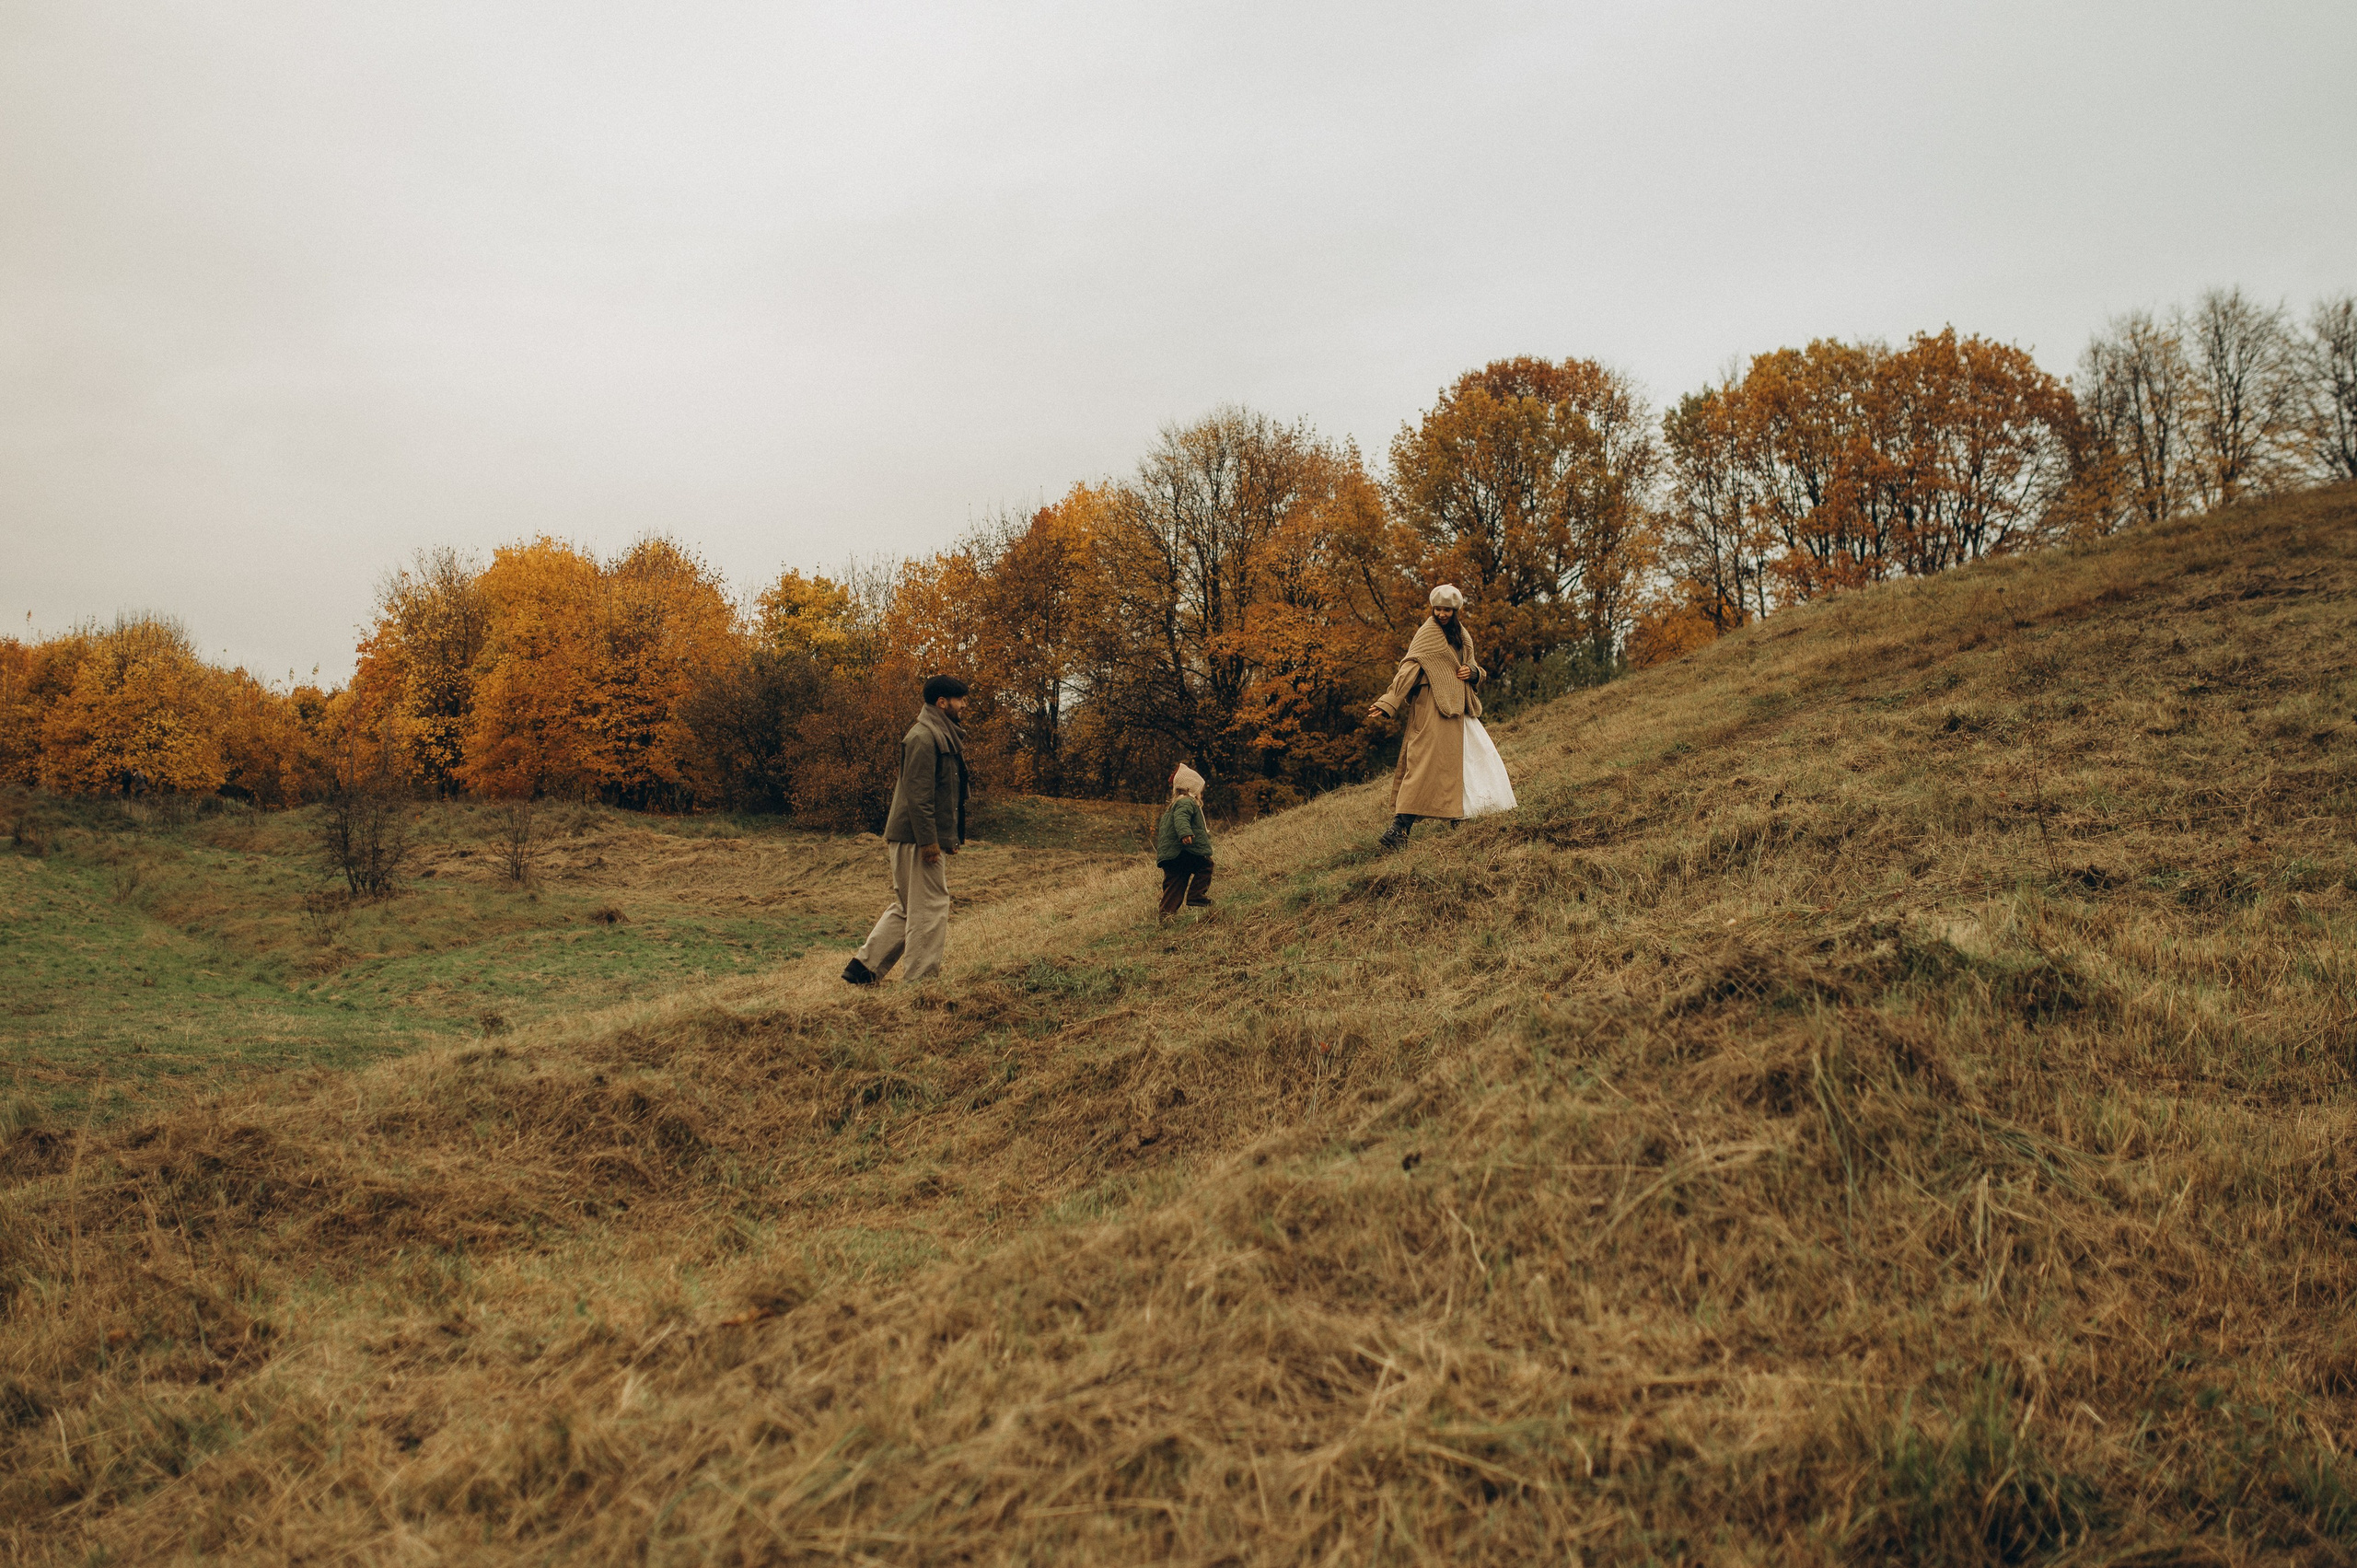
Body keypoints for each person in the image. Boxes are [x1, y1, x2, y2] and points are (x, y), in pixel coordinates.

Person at [842, 674, 970, 985]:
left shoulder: (940, 734)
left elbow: (944, 794)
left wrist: (947, 837)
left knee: (908, 907)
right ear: (942, 703)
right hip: (916, 838)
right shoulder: (923, 737)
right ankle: (921, 981)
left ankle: (862, 969)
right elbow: (918, 795)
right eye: (959, 700)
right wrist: (929, 842)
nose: (964, 705)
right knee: (930, 906)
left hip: (916, 836)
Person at [1366, 585, 1486, 849]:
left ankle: (1458, 817)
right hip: (1431, 705)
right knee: (1422, 763)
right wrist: (1389, 702)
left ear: (1456, 611)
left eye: (1447, 610)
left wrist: (1474, 673)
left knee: (1462, 763)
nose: (1441, 614)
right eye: (1438, 608)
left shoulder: (1462, 636)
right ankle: (1399, 829)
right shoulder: (1427, 633)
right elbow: (1408, 669)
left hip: (1460, 709)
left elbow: (1473, 666)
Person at [1154, 764, 1215, 922]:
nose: (1201, 794)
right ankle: (1196, 895)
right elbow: (1181, 818)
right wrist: (1185, 833)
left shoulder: (1172, 807)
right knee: (1205, 865)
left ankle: (1166, 916)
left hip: (1171, 856)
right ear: (1192, 789)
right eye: (1200, 790)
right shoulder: (1186, 802)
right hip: (1183, 851)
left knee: (1175, 884)